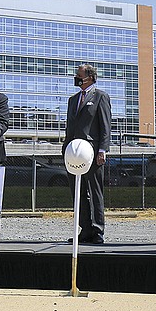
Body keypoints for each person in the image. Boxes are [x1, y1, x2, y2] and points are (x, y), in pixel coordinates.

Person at [63, 64, 111, 244]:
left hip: (92, 151)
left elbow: (105, 125)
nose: (76, 77)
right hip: (73, 152)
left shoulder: (100, 97)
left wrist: (102, 150)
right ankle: (85, 229)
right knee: (78, 191)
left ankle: (98, 230)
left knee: (95, 190)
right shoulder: (73, 99)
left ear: (90, 77)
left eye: (79, 75)